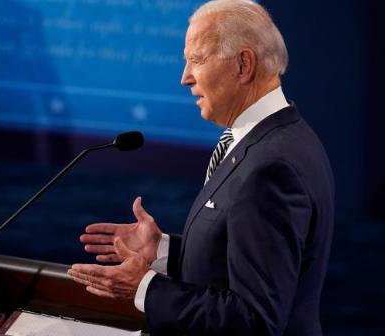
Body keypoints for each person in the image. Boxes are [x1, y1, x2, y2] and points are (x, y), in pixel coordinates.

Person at [67, 0, 334, 335]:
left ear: (243, 65)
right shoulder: (279, 135)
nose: (184, 78)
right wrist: (163, 251)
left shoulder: (271, 166)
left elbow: (255, 322)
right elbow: (237, 266)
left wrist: (146, 288)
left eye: (196, 60)